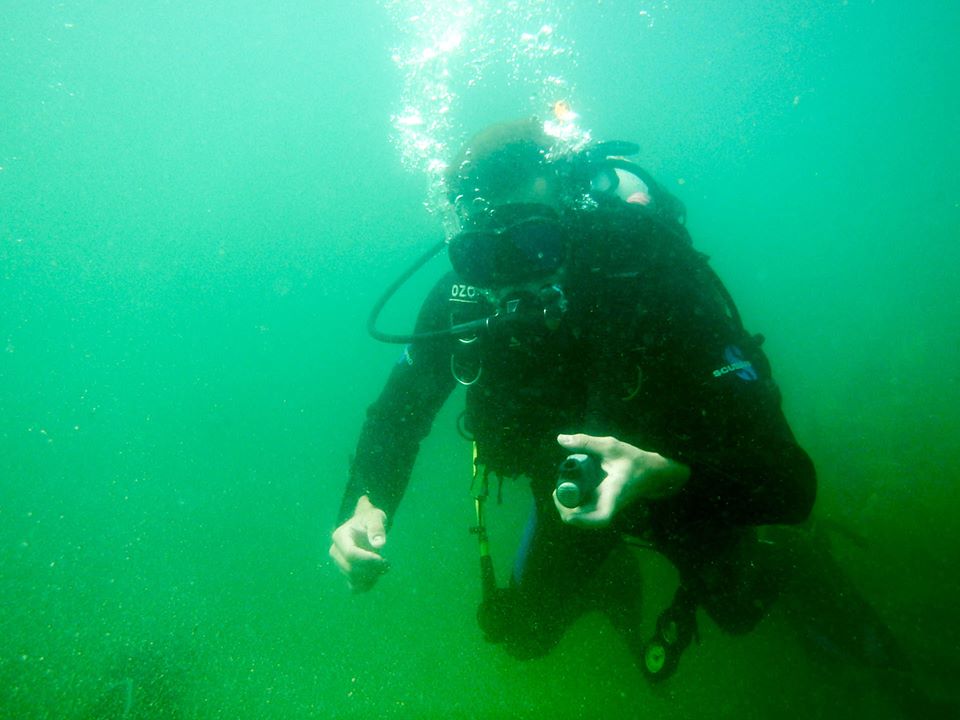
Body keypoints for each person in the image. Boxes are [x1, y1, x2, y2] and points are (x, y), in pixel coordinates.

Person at [329, 118, 949, 714]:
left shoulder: (650, 272)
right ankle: (611, 579)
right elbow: (397, 415)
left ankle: (798, 564)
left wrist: (670, 476)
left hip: (686, 486)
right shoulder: (462, 302)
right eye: (483, 256)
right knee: (524, 634)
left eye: (536, 243)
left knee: (740, 607)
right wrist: (366, 504)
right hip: (569, 494)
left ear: (572, 216)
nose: (513, 280)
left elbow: (789, 481)